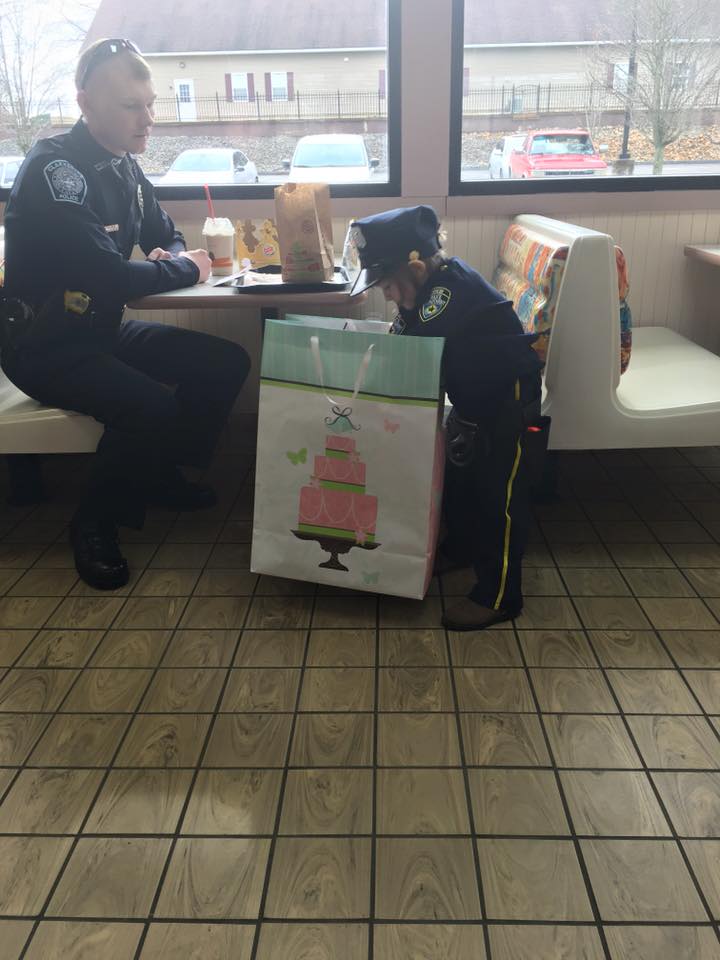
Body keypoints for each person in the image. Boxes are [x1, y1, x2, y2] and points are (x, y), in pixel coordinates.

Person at [0, 38, 250, 590]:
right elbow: (112, 278)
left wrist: (178, 255)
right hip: (43, 345)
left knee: (224, 362)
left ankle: (157, 473)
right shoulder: (55, 172)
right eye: (131, 106)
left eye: (152, 103)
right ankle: (93, 524)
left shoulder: (124, 167)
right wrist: (189, 269)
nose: (149, 119)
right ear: (85, 103)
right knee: (152, 407)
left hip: (97, 330)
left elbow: (169, 235)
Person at [348, 205, 547, 630]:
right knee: (462, 481)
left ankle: (500, 596)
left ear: (416, 266)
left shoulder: (448, 291)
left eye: (387, 282)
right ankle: (460, 549)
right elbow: (398, 340)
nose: (384, 294)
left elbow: (409, 349)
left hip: (508, 397)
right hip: (474, 398)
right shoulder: (425, 291)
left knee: (500, 499)